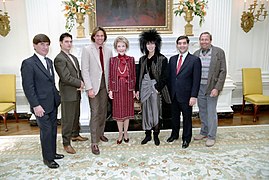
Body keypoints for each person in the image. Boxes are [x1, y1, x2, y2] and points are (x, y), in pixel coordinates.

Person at [21, 34, 64, 168]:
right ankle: (48, 159)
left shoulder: (49, 61)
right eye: (42, 44)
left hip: (52, 102)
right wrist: (35, 105)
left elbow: (50, 83)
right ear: (34, 45)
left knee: (52, 130)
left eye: (47, 44)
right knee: (45, 131)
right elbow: (28, 87)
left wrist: (57, 97)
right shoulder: (28, 63)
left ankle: (52, 153)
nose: (45, 47)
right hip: (40, 105)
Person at [54, 33, 88, 155]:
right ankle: (66, 143)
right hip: (68, 94)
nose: (69, 44)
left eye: (70, 41)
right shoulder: (59, 58)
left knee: (75, 116)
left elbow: (77, 73)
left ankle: (75, 135)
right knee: (68, 119)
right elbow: (65, 77)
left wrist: (82, 82)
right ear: (60, 43)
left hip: (76, 92)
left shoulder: (72, 57)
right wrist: (80, 83)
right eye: (66, 41)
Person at [136, 29, 171, 146]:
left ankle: (156, 135)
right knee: (145, 111)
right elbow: (139, 76)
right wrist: (137, 89)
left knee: (155, 112)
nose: (150, 46)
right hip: (144, 88)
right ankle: (147, 135)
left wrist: (158, 88)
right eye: (148, 43)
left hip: (156, 88)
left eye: (152, 43)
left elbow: (166, 76)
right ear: (144, 45)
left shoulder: (162, 59)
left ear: (156, 44)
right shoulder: (142, 60)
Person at [81, 27, 113, 155]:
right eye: (97, 35)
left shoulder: (109, 50)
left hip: (105, 85)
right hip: (93, 87)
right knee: (95, 112)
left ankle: (101, 134)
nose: (100, 37)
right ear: (94, 37)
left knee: (103, 112)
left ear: (104, 37)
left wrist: (111, 87)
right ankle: (94, 142)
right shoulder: (87, 50)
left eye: (102, 35)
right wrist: (89, 88)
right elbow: (85, 70)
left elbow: (110, 70)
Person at [167, 36, 201, 149]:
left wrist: (193, 96)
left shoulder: (195, 60)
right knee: (174, 117)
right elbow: (171, 78)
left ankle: (186, 138)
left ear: (188, 44)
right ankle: (174, 135)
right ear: (177, 45)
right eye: (180, 43)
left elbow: (196, 80)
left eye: (184, 43)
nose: (182, 45)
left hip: (187, 96)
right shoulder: (172, 59)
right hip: (174, 95)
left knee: (187, 118)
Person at [193, 32, 227, 147]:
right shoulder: (196, 54)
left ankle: (212, 136)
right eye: (202, 39)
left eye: (206, 39)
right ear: (199, 41)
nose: (204, 41)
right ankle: (204, 132)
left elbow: (223, 71)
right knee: (202, 111)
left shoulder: (219, 52)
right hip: (200, 87)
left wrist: (217, 88)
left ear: (210, 40)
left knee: (211, 112)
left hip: (212, 87)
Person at [108, 36, 136, 144]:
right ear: (116, 47)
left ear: (126, 47)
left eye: (123, 46)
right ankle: (120, 133)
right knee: (119, 113)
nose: (121, 48)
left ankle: (126, 132)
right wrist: (110, 89)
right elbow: (110, 76)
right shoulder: (112, 60)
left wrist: (133, 89)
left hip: (128, 89)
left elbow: (133, 75)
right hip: (117, 89)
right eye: (119, 46)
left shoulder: (131, 59)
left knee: (127, 112)